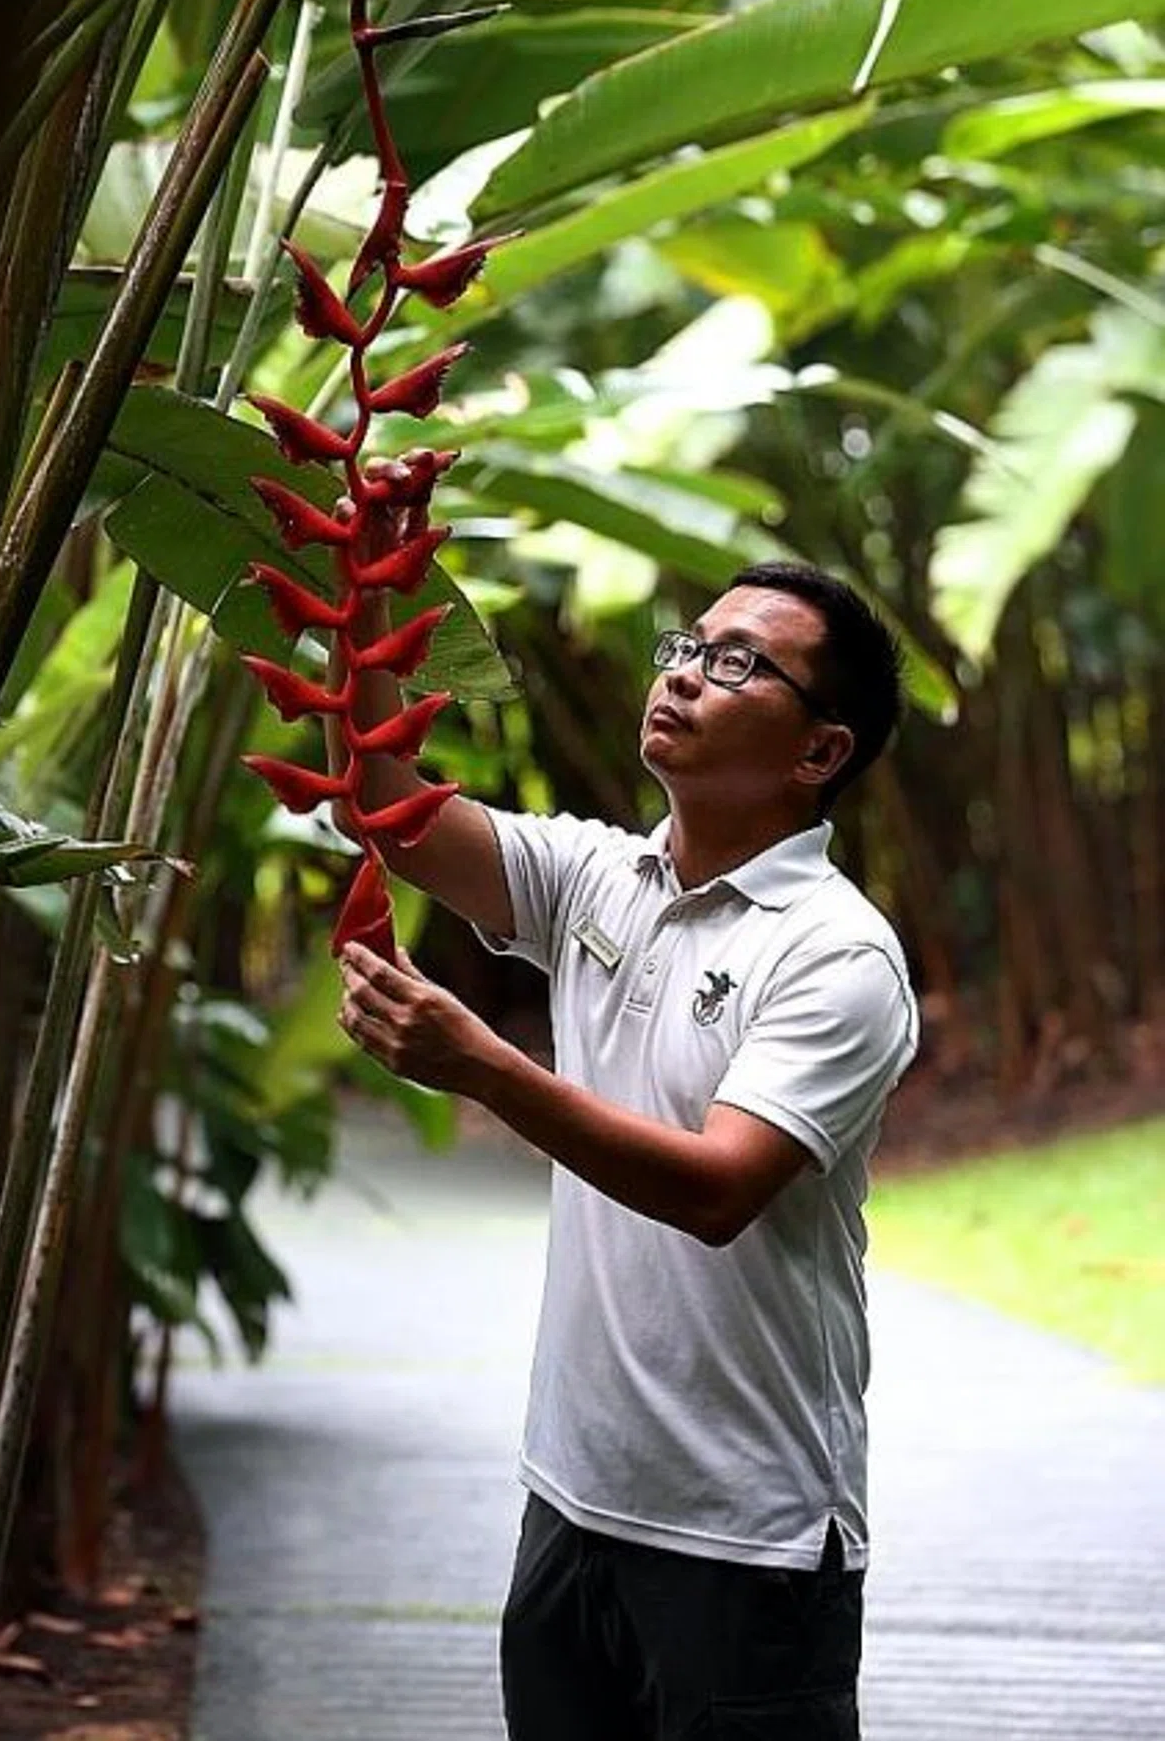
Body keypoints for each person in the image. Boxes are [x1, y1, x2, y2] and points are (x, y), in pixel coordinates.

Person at [336, 558, 916, 1741]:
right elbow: (390, 811)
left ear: (820, 754)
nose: (691, 675)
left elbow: (717, 1188)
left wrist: (485, 1066)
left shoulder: (839, 956)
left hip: (745, 1538)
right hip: (572, 1499)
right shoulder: (603, 876)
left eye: (741, 662)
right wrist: (372, 567)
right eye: (689, 646)